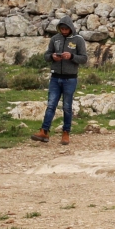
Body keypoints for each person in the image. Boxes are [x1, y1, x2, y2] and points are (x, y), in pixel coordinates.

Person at [30, 17, 88, 145]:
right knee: (51, 105)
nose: (64, 30)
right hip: (55, 78)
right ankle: (44, 132)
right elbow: (46, 55)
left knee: (67, 107)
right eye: (62, 28)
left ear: (70, 28)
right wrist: (52, 56)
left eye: (66, 28)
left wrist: (71, 56)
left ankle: (66, 133)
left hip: (70, 79)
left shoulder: (78, 40)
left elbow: (84, 58)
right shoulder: (54, 39)